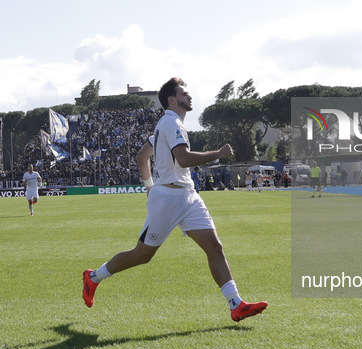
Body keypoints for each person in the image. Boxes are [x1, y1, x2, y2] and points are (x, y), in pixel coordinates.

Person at [82, 78, 267, 322]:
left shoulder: (167, 125)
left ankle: (236, 304)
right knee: (142, 255)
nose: (189, 97)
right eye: (184, 93)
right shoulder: (171, 123)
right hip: (168, 199)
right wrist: (219, 154)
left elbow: (142, 157)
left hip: (188, 196)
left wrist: (149, 186)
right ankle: (93, 277)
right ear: (172, 100)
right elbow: (184, 159)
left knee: (215, 247)